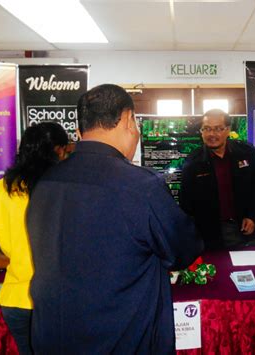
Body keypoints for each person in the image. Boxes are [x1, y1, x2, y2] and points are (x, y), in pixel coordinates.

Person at [26, 84, 203, 354]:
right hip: (120, 339)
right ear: (128, 120)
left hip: (52, 336)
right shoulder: (140, 187)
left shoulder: (46, 181)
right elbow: (184, 250)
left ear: (80, 129)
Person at [0, 122, 69, 355]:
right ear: (57, 150)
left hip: (15, 301)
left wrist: (14, 262)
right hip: (57, 301)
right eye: (65, 151)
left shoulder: (0, 190)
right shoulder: (63, 189)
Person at [180, 109, 255, 250]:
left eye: (218, 129)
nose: (212, 134)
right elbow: (186, 203)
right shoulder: (193, 162)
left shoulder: (246, 152)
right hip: (211, 235)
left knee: (251, 269)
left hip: (247, 228)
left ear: (228, 130)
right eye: (207, 129)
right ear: (201, 132)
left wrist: (252, 215)